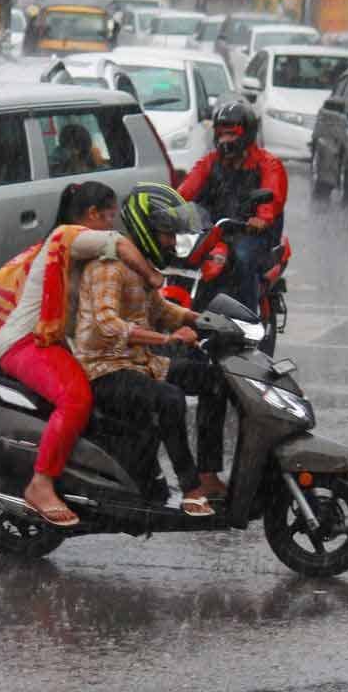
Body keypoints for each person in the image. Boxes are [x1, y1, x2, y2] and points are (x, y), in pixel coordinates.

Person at [0, 182, 165, 527]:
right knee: (76, 399)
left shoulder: (79, 255)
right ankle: (41, 482)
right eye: (108, 217)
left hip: (49, 343)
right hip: (25, 343)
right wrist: (152, 275)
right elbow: (119, 245)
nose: (112, 225)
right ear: (91, 215)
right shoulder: (68, 236)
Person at [74, 184, 230, 516]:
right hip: (105, 369)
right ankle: (191, 489)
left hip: (140, 362)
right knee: (170, 399)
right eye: (167, 235)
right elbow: (106, 324)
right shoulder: (108, 267)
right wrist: (165, 340)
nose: (172, 243)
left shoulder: (138, 265)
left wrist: (203, 320)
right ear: (146, 229)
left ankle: (208, 471)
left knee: (215, 379)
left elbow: (160, 310)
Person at [177, 100, 288, 313]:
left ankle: (246, 319)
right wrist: (167, 209)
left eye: (231, 134)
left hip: (252, 233)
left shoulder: (268, 164)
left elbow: (272, 196)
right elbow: (185, 191)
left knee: (242, 258)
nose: (225, 140)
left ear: (246, 135)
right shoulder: (210, 161)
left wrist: (261, 219)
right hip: (213, 230)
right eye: (221, 134)